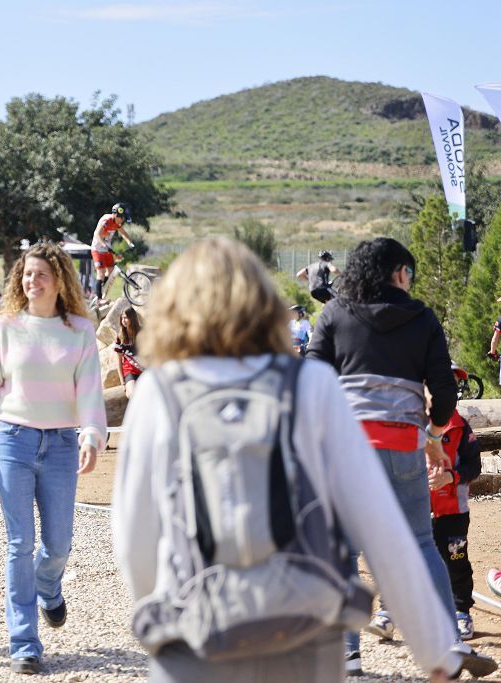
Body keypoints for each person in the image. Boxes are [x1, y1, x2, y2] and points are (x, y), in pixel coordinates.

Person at [113, 236, 467, 683]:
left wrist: (161, 618)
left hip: (197, 632)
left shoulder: (157, 393)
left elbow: (135, 533)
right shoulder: (310, 386)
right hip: (302, 628)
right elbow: (382, 527)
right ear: (263, 305)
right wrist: (434, 649)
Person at [306, 237, 495, 677]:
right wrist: (431, 435)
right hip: (404, 448)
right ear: (397, 273)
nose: (411, 279)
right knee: (421, 542)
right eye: (408, 271)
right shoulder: (422, 318)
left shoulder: (335, 313)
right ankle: (448, 641)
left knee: (344, 550)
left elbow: (312, 375)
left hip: (350, 449)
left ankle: (347, 655)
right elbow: (445, 392)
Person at [0, 242, 106, 675]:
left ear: (60, 280)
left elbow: (91, 392)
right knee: (18, 543)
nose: (32, 281)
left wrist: (92, 435)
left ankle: (48, 585)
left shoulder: (80, 330)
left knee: (59, 544)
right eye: (27, 274)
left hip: (62, 444)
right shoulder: (5, 327)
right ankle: (24, 642)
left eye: (41, 274)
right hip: (11, 442)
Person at [367, 408, 482, 645]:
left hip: (453, 512)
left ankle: (461, 613)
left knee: (455, 560)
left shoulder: (461, 428)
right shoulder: (412, 423)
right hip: (414, 508)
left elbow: (474, 465)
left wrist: (452, 477)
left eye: (451, 384)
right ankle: (388, 613)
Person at [90, 202, 135, 302]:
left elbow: (123, 233)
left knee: (111, 272)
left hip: (107, 249)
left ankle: (100, 289)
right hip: (97, 249)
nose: (122, 221)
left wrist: (130, 242)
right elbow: (97, 234)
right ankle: (99, 299)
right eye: (122, 218)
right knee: (100, 274)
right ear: (116, 214)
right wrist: (103, 245)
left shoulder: (116, 223)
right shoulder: (107, 220)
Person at [115, 307, 143, 400]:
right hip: (130, 372)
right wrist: (123, 383)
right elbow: (118, 361)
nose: (123, 320)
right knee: (132, 394)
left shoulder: (142, 333)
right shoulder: (120, 337)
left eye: (126, 317)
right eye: (122, 318)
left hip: (145, 370)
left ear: (132, 318)